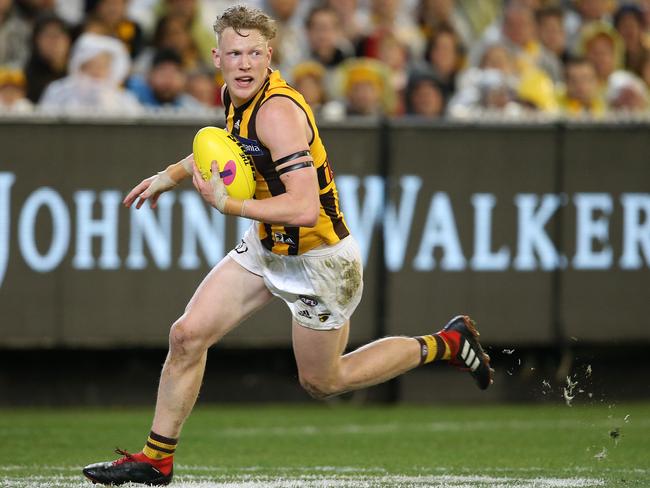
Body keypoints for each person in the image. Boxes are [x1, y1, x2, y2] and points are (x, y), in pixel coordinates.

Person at [81, 5, 493, 486]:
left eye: (254, 53)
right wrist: (169, 176)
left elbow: (303, 209)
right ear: (217, 56)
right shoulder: (236, 96)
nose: (244, 63)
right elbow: (228, 149)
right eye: (235, 53)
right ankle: (155, 460)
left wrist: (230, 208)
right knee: (187, 335)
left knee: (324, 381)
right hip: (266, 246)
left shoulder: (279, 113)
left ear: (269, 55)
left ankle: (445, 343)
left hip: (321, 264)